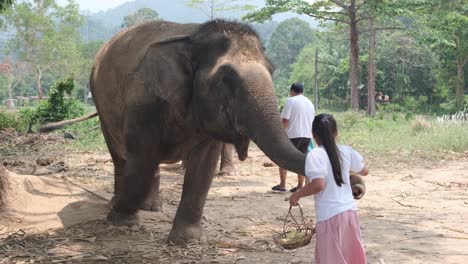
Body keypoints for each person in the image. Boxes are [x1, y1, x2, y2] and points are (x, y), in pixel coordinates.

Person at [289, 113, 369, 264]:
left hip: (329, 216)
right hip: (349, 213)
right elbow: (365, 171)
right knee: (350, 258)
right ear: (336, 133)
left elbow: (319, 184)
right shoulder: (347, 151)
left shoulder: (315, 155)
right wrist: (348, 171)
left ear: (313, 135)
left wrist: (297, 194)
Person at [272, 83, 315, 192]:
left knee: (283, 158)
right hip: (307, 135)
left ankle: (282, 185)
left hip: (293, 135)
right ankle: (300, 185)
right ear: (302, 91)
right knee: (301, 161)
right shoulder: (310, 103)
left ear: (292, 91)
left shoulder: (291, 101)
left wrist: (280, 135)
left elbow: (285, 120)